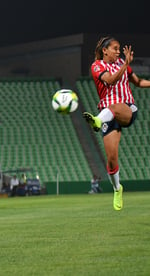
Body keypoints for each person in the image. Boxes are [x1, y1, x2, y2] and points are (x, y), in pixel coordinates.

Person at [83, 36, 150, 210]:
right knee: (112, 159)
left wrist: (125, 64)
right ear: (104, 51)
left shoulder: (122, 63)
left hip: (127, 109)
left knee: (114, 106)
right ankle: (117, 188)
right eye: (115, 48)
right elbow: (111, 80)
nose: (118, 51)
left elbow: (139, 82)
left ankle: (97, 120)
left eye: (119, 48)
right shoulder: (97, 66)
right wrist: (125, 64)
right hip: (109, 114)